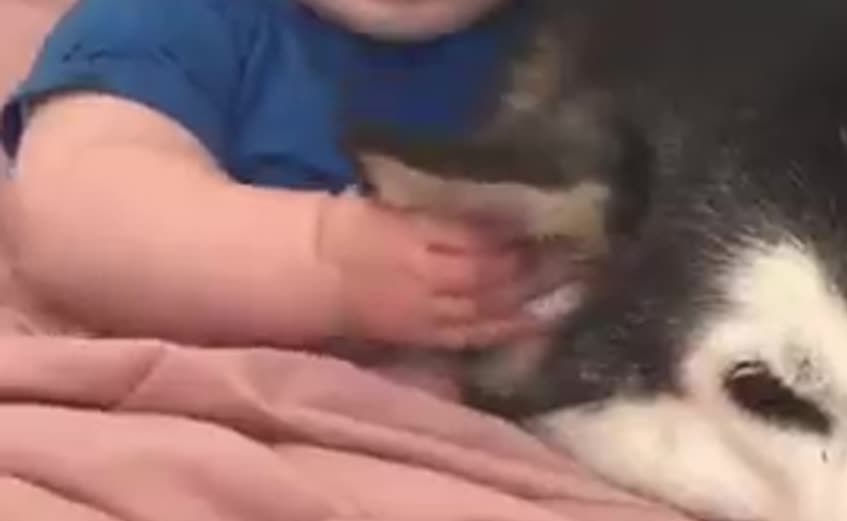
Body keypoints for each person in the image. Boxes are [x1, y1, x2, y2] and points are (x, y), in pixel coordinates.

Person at [1, 0, 565, 352]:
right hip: (220, 414)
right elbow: (79, 210)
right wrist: (321, 261)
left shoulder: (585, 36)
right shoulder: (175, 15)